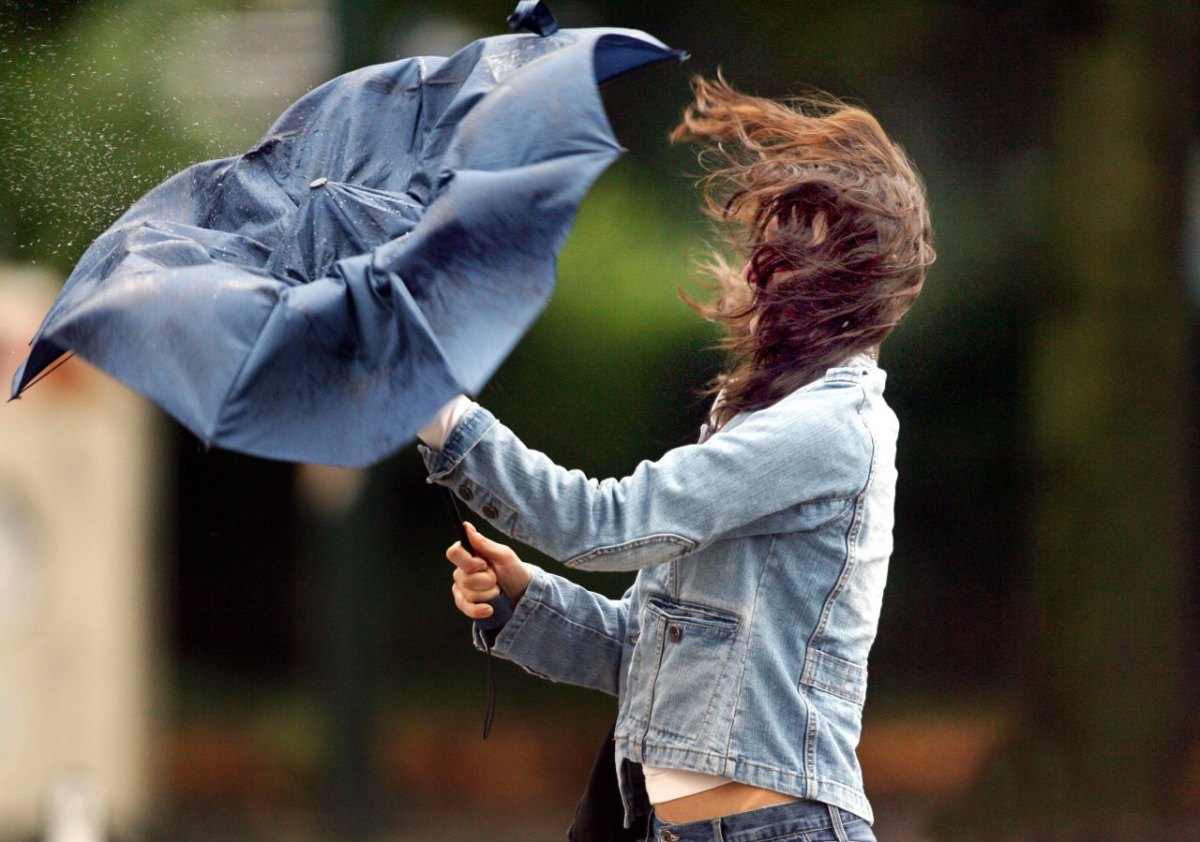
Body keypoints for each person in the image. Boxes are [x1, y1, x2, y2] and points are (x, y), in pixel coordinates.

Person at [418, 75, 934, 842]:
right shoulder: (761, 418)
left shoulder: (831, 426)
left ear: (858, 282)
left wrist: (445, 419)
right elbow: (647, 653)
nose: (773, 266)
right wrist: (524, 599)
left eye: (804, 246)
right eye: (778, 239)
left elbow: (603, 522)